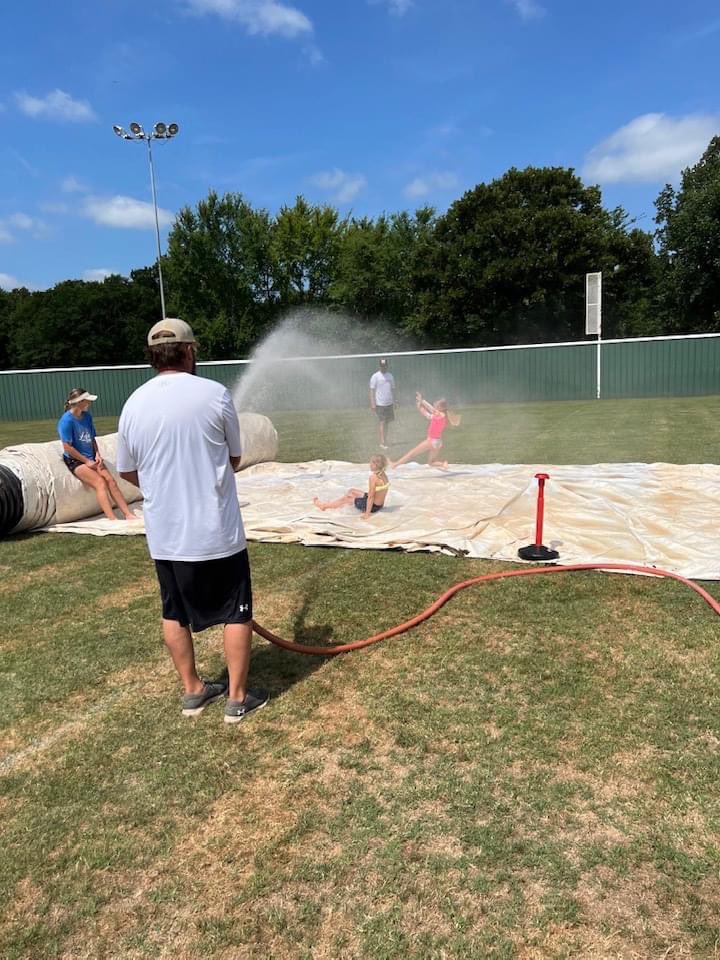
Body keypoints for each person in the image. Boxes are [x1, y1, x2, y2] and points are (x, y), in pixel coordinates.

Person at [116, 318, 268, 724]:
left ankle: (193, 690)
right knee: (236, 612)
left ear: (152, 357)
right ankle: (237, 698)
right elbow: (234, 458)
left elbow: (127, 470)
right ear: (188, 351)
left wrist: (163, 487)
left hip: (166, 535)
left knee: (173, 612)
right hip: (216, 531)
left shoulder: (133, 404)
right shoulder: (215, 394)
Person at [57, 387, 136, 521]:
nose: (90, 403)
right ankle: (112, 519)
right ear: (79, 402)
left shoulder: (87, 417)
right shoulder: (66, 421)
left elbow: (92, 438)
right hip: (75, 460)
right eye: (87, 401)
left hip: (92, 456)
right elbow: (67, 447)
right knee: (100, 482)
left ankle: (128, 514)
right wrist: (86, 461)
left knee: (111, 481)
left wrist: (97, 454)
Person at [390, 393, 461, 470]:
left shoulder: (438, 414)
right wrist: (421, 404)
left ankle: (394, 465)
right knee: (431, 462)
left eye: (436, 404)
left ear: (440, 407)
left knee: (411, 454)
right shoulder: (443, 416)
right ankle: (443, 464)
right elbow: (429, 412)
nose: (434, 404)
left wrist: (421, 403)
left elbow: (429, 410)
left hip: (431, 441)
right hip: (438, 442)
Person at [313, 454, 389, 519]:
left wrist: (367, 514)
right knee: (352, 491)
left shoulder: (373, 478)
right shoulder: (383, 474)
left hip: (374, 507)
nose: (369, 464)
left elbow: (371, 497)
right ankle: (337, 503)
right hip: (379, 504)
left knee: (348, 498)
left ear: (376, 465)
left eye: (371, 463)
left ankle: (324, 506)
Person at [369, 358, 396, 450]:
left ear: (387, 366)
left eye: (384, 366)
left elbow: (393, 389)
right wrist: (373, 403)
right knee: (382, 422)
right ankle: (382, 442)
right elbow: (372, 390)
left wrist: (395, 401)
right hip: (380, 403)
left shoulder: (390, 376)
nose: (383, 367)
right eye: (382, 366)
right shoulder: (375, 376)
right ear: (379, 366)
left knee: (387, 423)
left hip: (389, 403)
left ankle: (385, 440)